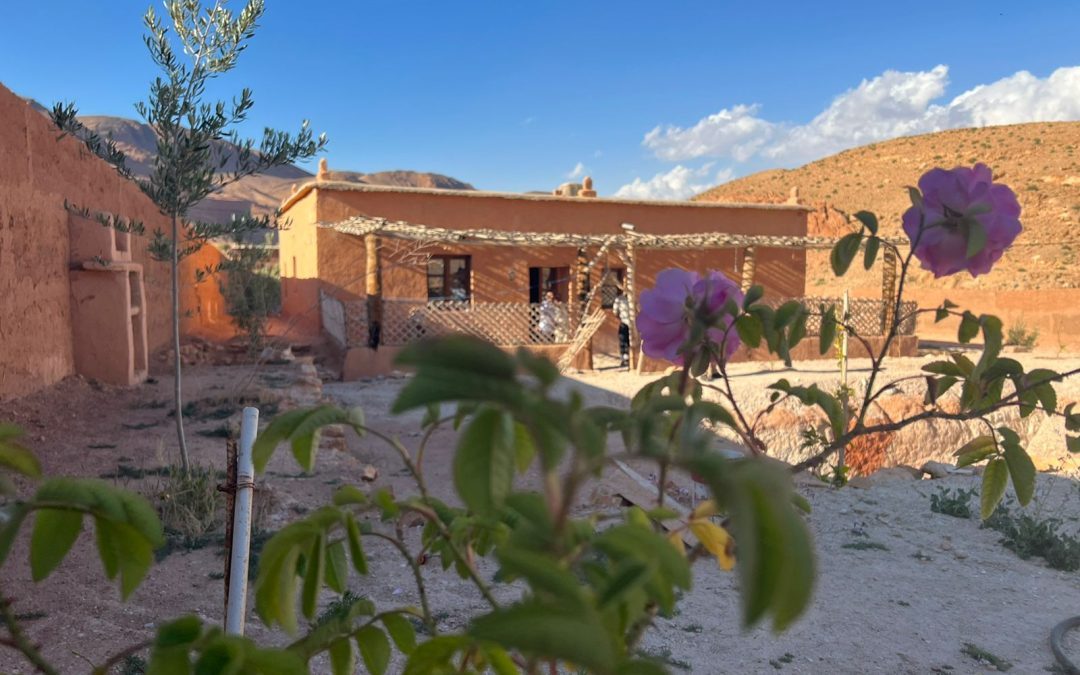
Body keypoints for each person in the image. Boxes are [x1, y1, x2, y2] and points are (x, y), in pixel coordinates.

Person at [612, 287, 631, 367]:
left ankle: (625, 359)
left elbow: (615, 312)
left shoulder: (619, 299)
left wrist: (620, 317)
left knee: (623, 341)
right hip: (629, 323)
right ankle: (626, 359)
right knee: (626, 341)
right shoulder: (631, 298)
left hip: (625, 322)